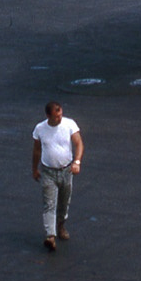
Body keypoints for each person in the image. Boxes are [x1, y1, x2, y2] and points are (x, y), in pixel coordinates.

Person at [31, 101, 83, 251]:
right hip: (48, 172)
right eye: (56, 116)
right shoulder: (40, 129)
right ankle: (50, 236)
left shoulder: (69, 124)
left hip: (66, 171)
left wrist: (77, 162)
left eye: (60, 115)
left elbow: (79, 143)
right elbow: (36, 151)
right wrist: (34, 169)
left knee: (64, 202)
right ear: (48, 116)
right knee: (49, 204)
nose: (59, 118)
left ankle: (60, 225)